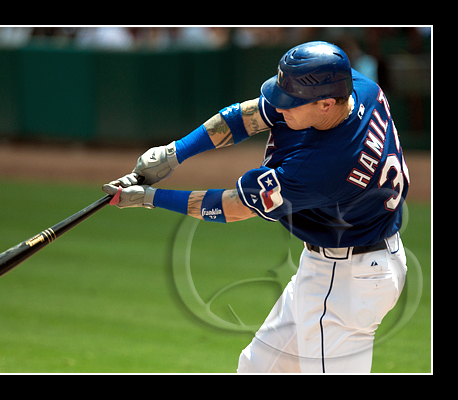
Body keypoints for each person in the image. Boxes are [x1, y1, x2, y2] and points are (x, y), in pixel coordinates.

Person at [102, 41, 410, 373]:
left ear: (325, 104)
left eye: (292, 102)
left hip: (347, 284)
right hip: (350, 263)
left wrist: (150, 198)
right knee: (258, 367)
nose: (281, 107)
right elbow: (248, 117)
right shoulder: (359, 88)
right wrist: (173, 152)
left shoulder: (320, 168)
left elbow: (232, 206)